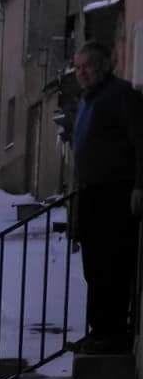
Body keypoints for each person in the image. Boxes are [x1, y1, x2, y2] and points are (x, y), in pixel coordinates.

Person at [72, 40, 143, 353]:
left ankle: (112, 333)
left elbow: (141, 143)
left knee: (112, 264)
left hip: (116, 195)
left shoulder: (121, 95)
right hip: (91, 195)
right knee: (94, 267)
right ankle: (98, 330)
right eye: (78, 67)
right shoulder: (89, 100)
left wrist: (140, 186)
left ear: (104, 65)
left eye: (87, 65)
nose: (82, 72)